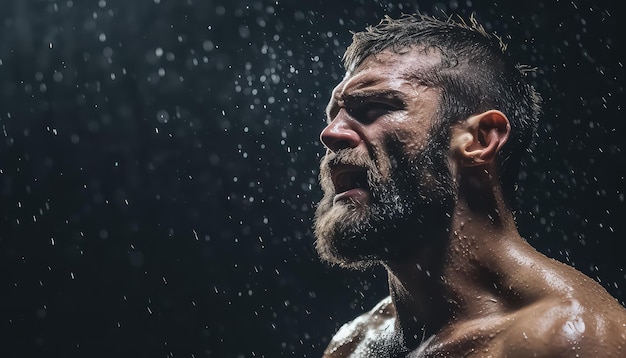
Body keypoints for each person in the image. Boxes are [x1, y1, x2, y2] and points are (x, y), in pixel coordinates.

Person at [313, 13, 626, 357]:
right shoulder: (355, 344)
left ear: (479, 139)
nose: (332, 134)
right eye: (334, 115)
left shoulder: (571, 340)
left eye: (374, 107)